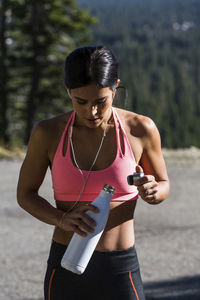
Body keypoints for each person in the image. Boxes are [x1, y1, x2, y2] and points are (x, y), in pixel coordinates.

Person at [17, 45, 170, 300]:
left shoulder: (140, 129)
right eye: (81, 102)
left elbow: (163, 184)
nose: (92, 112)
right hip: (65, 264)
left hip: (120, 268)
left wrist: (155, 191)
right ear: (68, 91)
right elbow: (25, 194)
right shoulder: (48, 132)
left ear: (115, 87)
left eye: (101, 102)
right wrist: (60, 219)